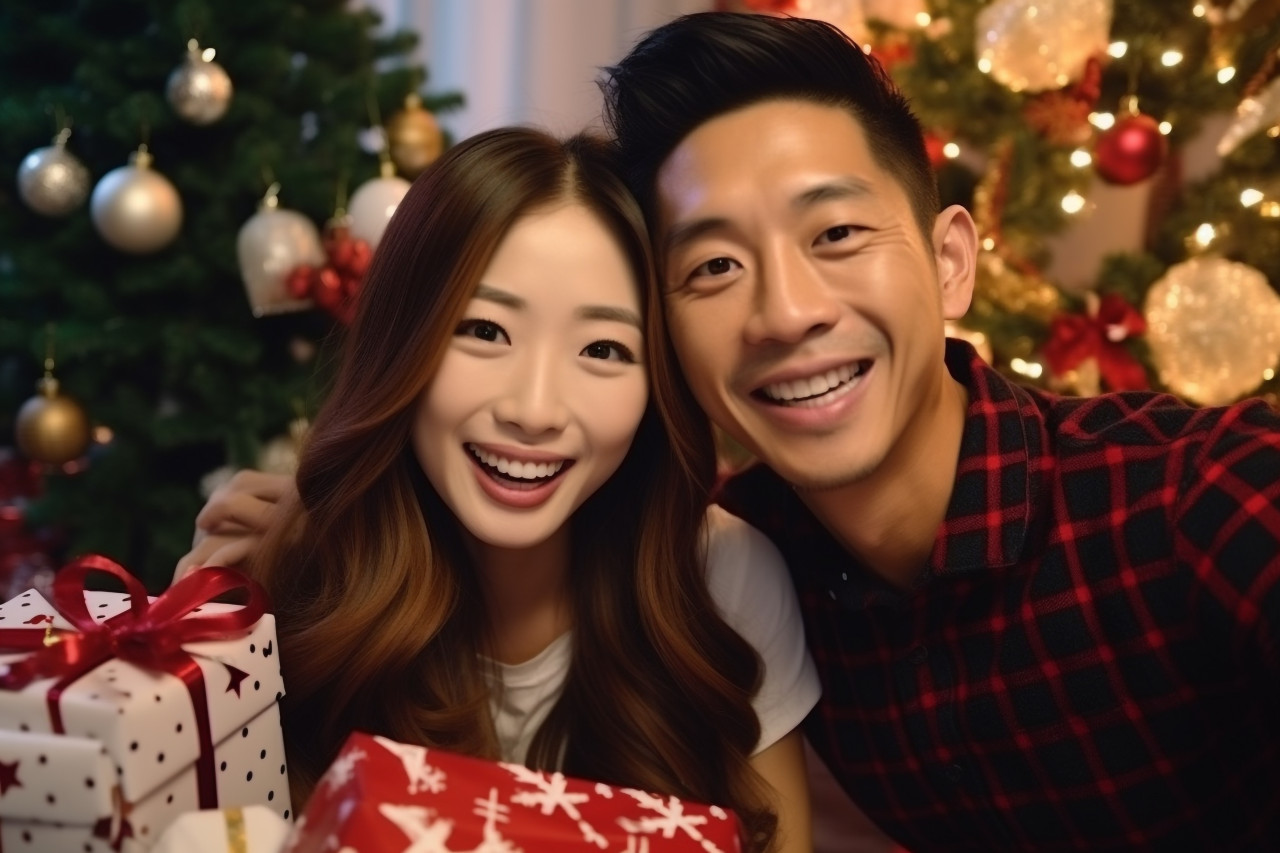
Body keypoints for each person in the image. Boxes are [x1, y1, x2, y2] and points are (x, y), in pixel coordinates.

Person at [186, 11, 1280, 851]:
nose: (783, 311)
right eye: (712, 265)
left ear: (951, 260)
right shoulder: (744, 554)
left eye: (836, 232)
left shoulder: (1189, 501)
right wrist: (321, 533)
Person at [212, 127, 818, 853]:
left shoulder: (723, 581)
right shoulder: (300, 571)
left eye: (603, 349)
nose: (534, 410)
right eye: (484, 330)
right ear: (403, 339)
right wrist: (202, 653)